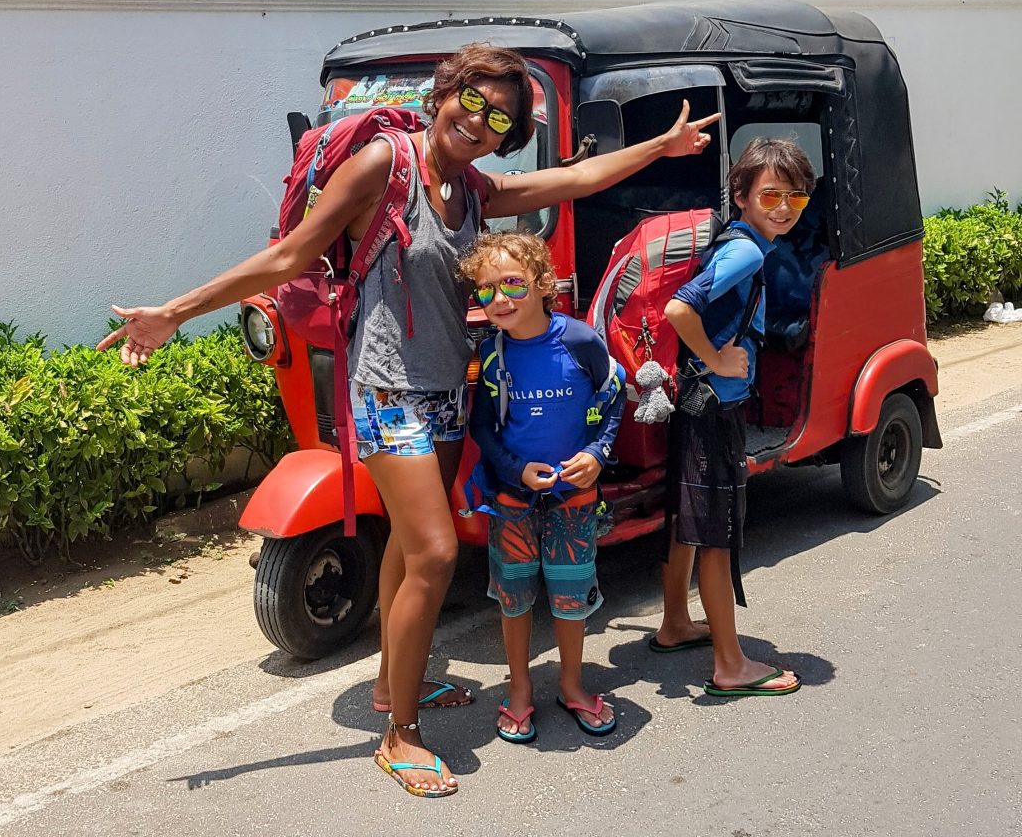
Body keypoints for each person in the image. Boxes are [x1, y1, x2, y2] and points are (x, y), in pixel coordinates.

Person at [97, 42, 720, 797]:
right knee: (432, 553)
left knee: (401, 547)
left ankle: (397, 689)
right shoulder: (384, 167)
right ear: (445, 92)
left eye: (500, 117)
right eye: (474, 101)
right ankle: (400, 736)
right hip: (388, 389)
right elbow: (292, 254)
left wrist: (662, 145)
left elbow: (574, 177)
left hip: (448, 393)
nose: (481, 121)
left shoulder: (473, 192)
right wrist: (175, 311)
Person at [654, 137, 814, 697]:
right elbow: (680, 309)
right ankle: (730, 665)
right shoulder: (746, 252)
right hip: (714, 407)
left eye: (796, 199)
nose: (783, 208)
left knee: (689, 523)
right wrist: (717, 356)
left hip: (695, 402)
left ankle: (675, 622)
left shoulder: (739, 241)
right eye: (771, 194)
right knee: (717, 537)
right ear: (741, 194)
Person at [459, 231, 626, 744]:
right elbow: (481, 428)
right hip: (512, 499)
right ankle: (520, 688)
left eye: (512, 283)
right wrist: (515, 470)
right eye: (486, 290)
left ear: (542, 282)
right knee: (513, 596)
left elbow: (613, 399)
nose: (500, 299)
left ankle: (573, 686)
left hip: (574, 499)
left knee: (571, 594)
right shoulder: (488, 355)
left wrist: (597, 455)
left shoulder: (579, 341)